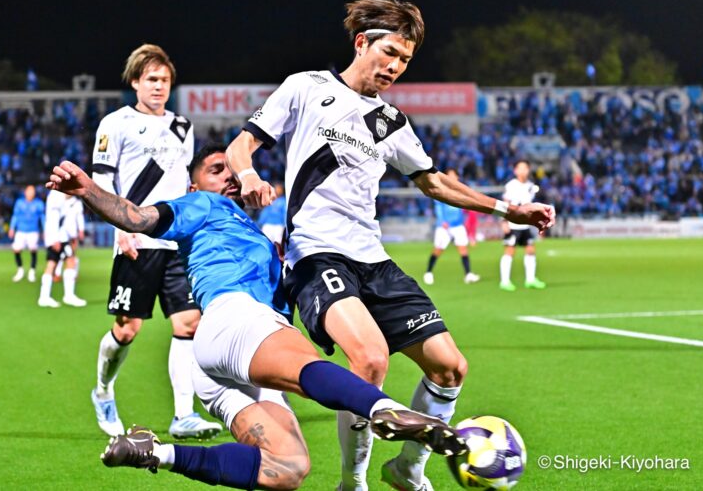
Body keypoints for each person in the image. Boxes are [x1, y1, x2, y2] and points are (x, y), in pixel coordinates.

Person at [226, 0, 555, 491]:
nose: (396, 67)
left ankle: (406, 469)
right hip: (316, 254)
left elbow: (435, 182)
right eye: (391, 53)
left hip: (373, 259)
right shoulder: (307, 87)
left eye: (405, 60)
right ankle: (352, 483)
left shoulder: (391, 122)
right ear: (362, 43)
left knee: (450, 368)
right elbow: (241, 145)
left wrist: (509, 210)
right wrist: (248, 175)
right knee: (370, 360)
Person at [46, 146, 466, 490]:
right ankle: (385, 411)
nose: (229, 176)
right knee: (308, 368)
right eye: (216, 171)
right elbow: (138, 217)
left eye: (233, 170)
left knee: (286, 468)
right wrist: (88, 190)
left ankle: (154, 452)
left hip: (223, 363)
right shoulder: (202, 205)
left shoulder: (258, 233)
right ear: (195, 185)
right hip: (236, 321)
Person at [89, 44, 220, 440]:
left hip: (174, 240)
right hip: (135, 240)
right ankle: (103, 389)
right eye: (152, 80)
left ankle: (183, 417)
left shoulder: (183, 126)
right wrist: (119, 227)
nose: (159, 86)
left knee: (189, 323)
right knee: (127, 330)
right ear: (135, 82)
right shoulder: (116, 123)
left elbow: (183, 184)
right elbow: (101, 181)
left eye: (165, 80)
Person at [423, 169, 480, 285]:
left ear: (458, 177)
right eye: (449, 176)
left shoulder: (461, 191)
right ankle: (428, 272)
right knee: (438, 250)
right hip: (444, 226)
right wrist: (442, 220)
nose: (451, 177)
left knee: (463, 249)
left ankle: (468, 274)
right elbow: (438, 207)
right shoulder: (441, 190)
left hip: (458, 225)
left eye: (453, 175)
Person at [499, 160, 546, 291]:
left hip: (525, 224)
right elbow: (505, 204)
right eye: (520, 168)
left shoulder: (531, 186)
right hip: (513, 224)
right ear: (515, 171)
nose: (523, 171)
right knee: (510, 251)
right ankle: (504, 281)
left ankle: (530, 280)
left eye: (525, 168)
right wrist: (503, 221)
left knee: (531, 249)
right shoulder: (511, 185)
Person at [38, 190, 86, 308]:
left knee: (61, 262)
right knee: (59, 263)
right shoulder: (55, 197)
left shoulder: (71, 199)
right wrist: (54, 238)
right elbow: (53, 218)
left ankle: (48, 296)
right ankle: (64, 296)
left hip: (63, 237)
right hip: (57, 237)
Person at [8, 184, 44, 283]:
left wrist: (44, 230)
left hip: (33, 231)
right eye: (29, 191)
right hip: (21, 230)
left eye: (32, 191)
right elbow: (15, 216)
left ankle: (32, 271)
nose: (30, 193)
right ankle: (20, 270)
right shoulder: (19, 203)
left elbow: (42, 218)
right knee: (16, 250)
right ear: (25, 192)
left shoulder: (38, 204)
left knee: (33, 250)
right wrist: (12, 228)